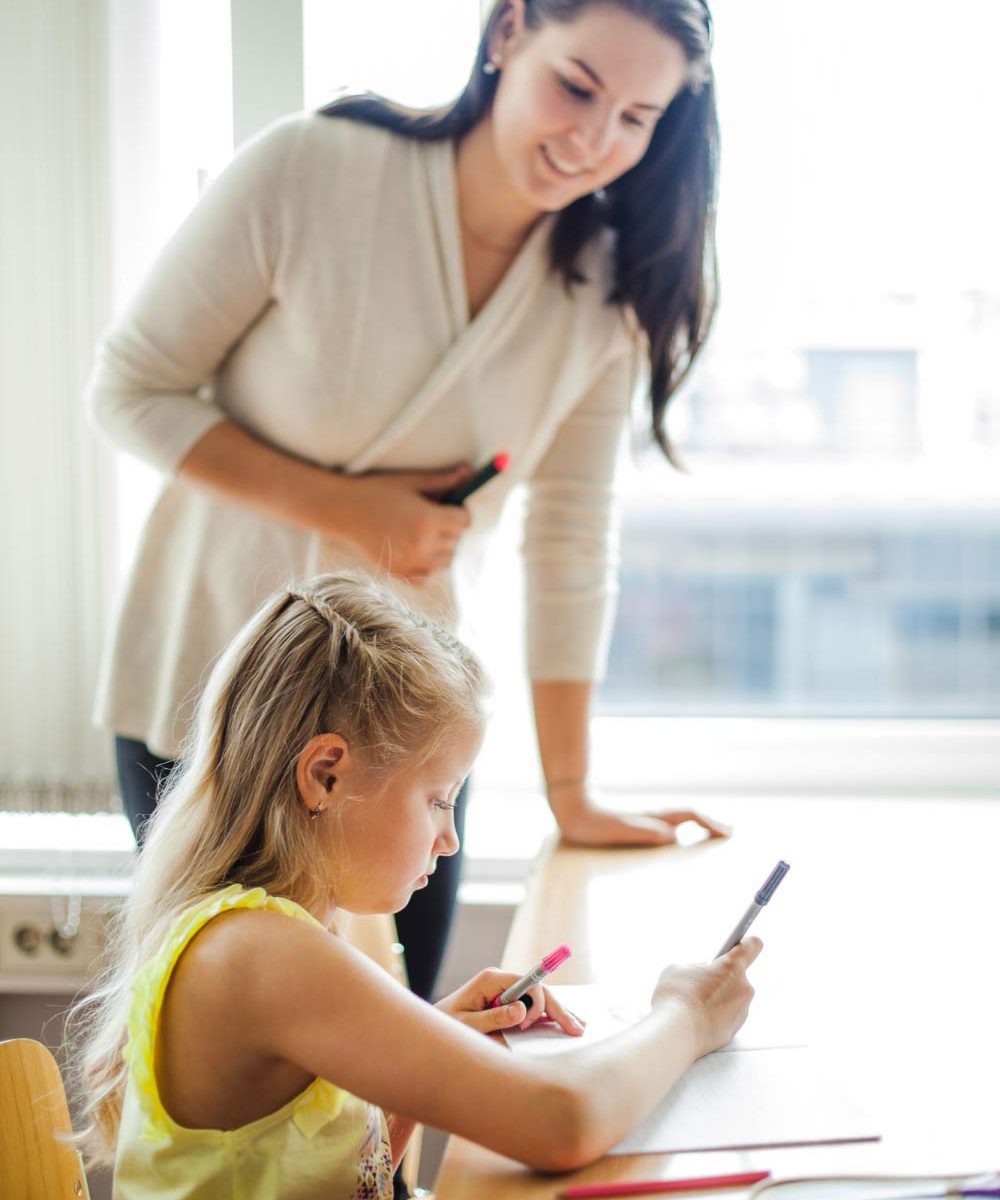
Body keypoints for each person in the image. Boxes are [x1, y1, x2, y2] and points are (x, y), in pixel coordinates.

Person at [86, 0, 724, 1003]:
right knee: (228, 1063)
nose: (593, 143)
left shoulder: (605, 292)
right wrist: (351, 509)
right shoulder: (311, 169)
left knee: (394, 1094)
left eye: (637, 119)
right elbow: (130, 390)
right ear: (508, 31)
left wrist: (572, 795)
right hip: (211, 693)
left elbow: (568, 540)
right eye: (576, 88)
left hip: (404, 740)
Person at [68, 573, 762, 1199]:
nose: (449, 837)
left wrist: (427, 1050)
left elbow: (349, 1184)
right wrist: (688, 1014)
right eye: (437, 799)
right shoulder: (258, 953)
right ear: (326, 774)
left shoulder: (273, 931)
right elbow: (564, 1121)